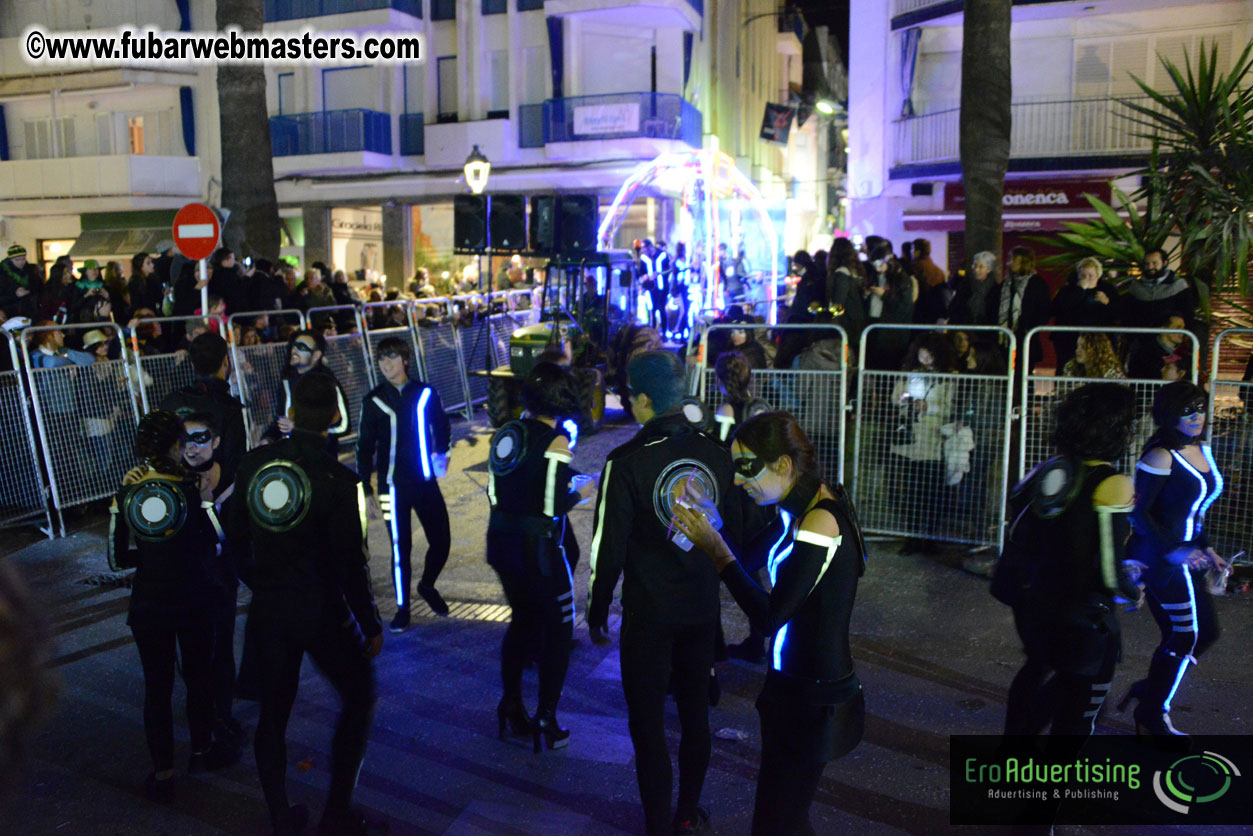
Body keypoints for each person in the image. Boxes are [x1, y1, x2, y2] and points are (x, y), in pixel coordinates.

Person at [671, 411, 866, 836]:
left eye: (747, 468)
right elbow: (749, 561)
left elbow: (769, 616)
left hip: (815, 700)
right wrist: (714, 523)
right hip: (791, 692)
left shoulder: (820, 520)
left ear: (782, 464)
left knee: (779, 820)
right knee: (783, 818)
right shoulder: (794, 509)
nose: (738, 481)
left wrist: (715, 550)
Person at [587, 350, 742, 836]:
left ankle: (656, 822)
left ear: (645, 400)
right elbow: (736, 525)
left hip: (648, 614)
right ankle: (687, 812)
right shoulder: (715, 453)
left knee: (648, 723)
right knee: (695, 715)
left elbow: (606, 549)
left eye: (632, 397)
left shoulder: (626, 460)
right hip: (700, 607)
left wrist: (596, 609)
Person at [229, 374, 385, 836]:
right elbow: (349, 564)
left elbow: (235, 541)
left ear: (291, 414)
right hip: (322, 609)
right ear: (336, 418)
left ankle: (280, 816)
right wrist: (369, 623)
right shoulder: (341, 481)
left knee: (273, 715)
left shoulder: (254, 465)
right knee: (358, 696)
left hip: (271, 609)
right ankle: (337, 813)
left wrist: (261, 583)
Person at [993, 383, 1142, 736]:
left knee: (1037, 668)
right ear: (1117, 430)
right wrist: (1135, 592)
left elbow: (1019, 516)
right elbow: (1110, 571)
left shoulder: (1046, 471)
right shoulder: (1112, 483)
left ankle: (1013, 755)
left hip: (1030, 599)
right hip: (1081, 609)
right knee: (1082, 699)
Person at [109, 411, 239, 801]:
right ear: (176, 444)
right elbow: (218, 541)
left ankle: (163, 773)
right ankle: (201, 751)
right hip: (193, 597)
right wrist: (205, 504)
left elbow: (118, 560)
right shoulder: (189, 488)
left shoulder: (129, 491)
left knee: (157, 687)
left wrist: (151, 558)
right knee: (198, 676)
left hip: (149, 600)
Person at [487, 362, 596, 750]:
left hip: (501, 543)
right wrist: (581, 492)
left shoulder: (506, 433)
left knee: (521, 623)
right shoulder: (557, 441)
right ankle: (547, 717)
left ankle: (511, 704)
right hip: (540, 552)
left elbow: (495, 495)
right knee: (559, 632)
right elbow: (552, 505)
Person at [1120, 381, 1227, 736]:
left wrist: (1206, 547)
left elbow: (1194, 511)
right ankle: (1152, 714)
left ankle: (1149, 692)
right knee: (1186, 636)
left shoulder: (1201, 449)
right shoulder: (1161, 455)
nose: (1197, 417)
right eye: (1187, 411)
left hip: (1189, 557)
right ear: (1168, 414)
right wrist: (1175, 548)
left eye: (1201, 408)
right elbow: (1138, 514)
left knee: (1200, 633)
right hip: (1162, 561)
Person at [356, 337, 452, 630]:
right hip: (391, 487)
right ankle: (402, 607)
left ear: (405, 360)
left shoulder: (425, 393)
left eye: (392, 358)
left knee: (442, 540)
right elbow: (363, 448)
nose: (386, 365)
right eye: (381, 360)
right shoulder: (373, 401)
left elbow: (443, 428)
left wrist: (441, 455)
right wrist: (366, 488)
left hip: (424, 482)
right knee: (401, 548)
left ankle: (427, 585)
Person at [179, 411, 246, 748]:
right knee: (193, 658)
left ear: (217, 441)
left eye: (200, 437)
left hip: (221, 580)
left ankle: (222, 715)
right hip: (186, 584)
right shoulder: (173, 483)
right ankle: (201, 733)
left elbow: (235, 538)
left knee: (221, 651)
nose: (191, 446)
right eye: (185, 438)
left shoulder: (234, 481)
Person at [889, 333, 956, 554]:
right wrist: (905, 402)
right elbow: (895, 398)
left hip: (933, 437)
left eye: (930, 355)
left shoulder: (948, 378)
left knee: (931, 492)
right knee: (912, 491)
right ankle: (913, 538)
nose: (925, 359)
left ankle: (928, 538)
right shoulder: (909, 374)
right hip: (911, 437)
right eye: (923, 354)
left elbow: (949, 408)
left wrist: (929, 408)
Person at [159, 332, 247, 482]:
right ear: (226, 361)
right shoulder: (229, 407)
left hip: (176, 491)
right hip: (218, 497)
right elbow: (235, 463)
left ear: (192, 364)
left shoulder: (170, 402)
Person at [270, 330, 350, 454]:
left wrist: (297, 430)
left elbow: (344, 425)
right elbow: (280, 419)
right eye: (294, 346)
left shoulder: (327, 382)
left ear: (316, 355)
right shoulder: (286, 382)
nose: (294, 351)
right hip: (294, 456)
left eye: (302, 347)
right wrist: (268, 437)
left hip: (321, 458)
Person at [1050, 257, 1119, 371]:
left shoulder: (1108, 290)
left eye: (1090, 276)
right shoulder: (1068, 290)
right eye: (1083, 275)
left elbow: (1117, 313)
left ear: (1098, 276)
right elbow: (1058, 309)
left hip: (1098, 339)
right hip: (1070, 339)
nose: (1087, 279)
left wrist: (1107, 302)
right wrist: (1079, 290)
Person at [862, 239, 917, 371]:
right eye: (874, 264)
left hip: (892, 333)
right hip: (874, 326)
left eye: (880, 264)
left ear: (889, 260)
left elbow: (904, 307)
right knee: (874, 369)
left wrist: (884, 295)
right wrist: (866, 294)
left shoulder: (902, 278)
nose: (877, 268)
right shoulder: (874, 276)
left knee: (888, 370)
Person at [995, 246, 1051, 372]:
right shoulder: (1006, 284)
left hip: (1025, 338)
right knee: (1004, 372)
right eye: (1010, 259)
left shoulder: (1036, 284)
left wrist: (1029, 328)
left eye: (1014, 259)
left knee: (1024, 372)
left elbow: (1044, 310)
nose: (1010, 262)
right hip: (1004, 338)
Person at [1120, 248, 1195, 331]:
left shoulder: (1178, 285)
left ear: (1165, 263)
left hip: (1169, 339)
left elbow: (1187, 315)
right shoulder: (1136, 287)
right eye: (1147, 264)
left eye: (1155, 263)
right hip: (1140, 339)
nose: (1150, 267)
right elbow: (1127, 315)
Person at [949, 251, 999, 328]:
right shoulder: (964, 284)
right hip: (965, 330)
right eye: (975, 266)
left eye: (981, 267)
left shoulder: (995, 289)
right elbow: (955, 307)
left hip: (986, 331)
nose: (976, 269)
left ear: (988, 269)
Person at [1060, 333, 1125, 380]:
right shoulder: (1071, 368)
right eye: (1077, 346)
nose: (1077, 351)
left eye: (1083, 347)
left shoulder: (1110, 373)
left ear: (1096, 350)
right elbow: (1063, 392)